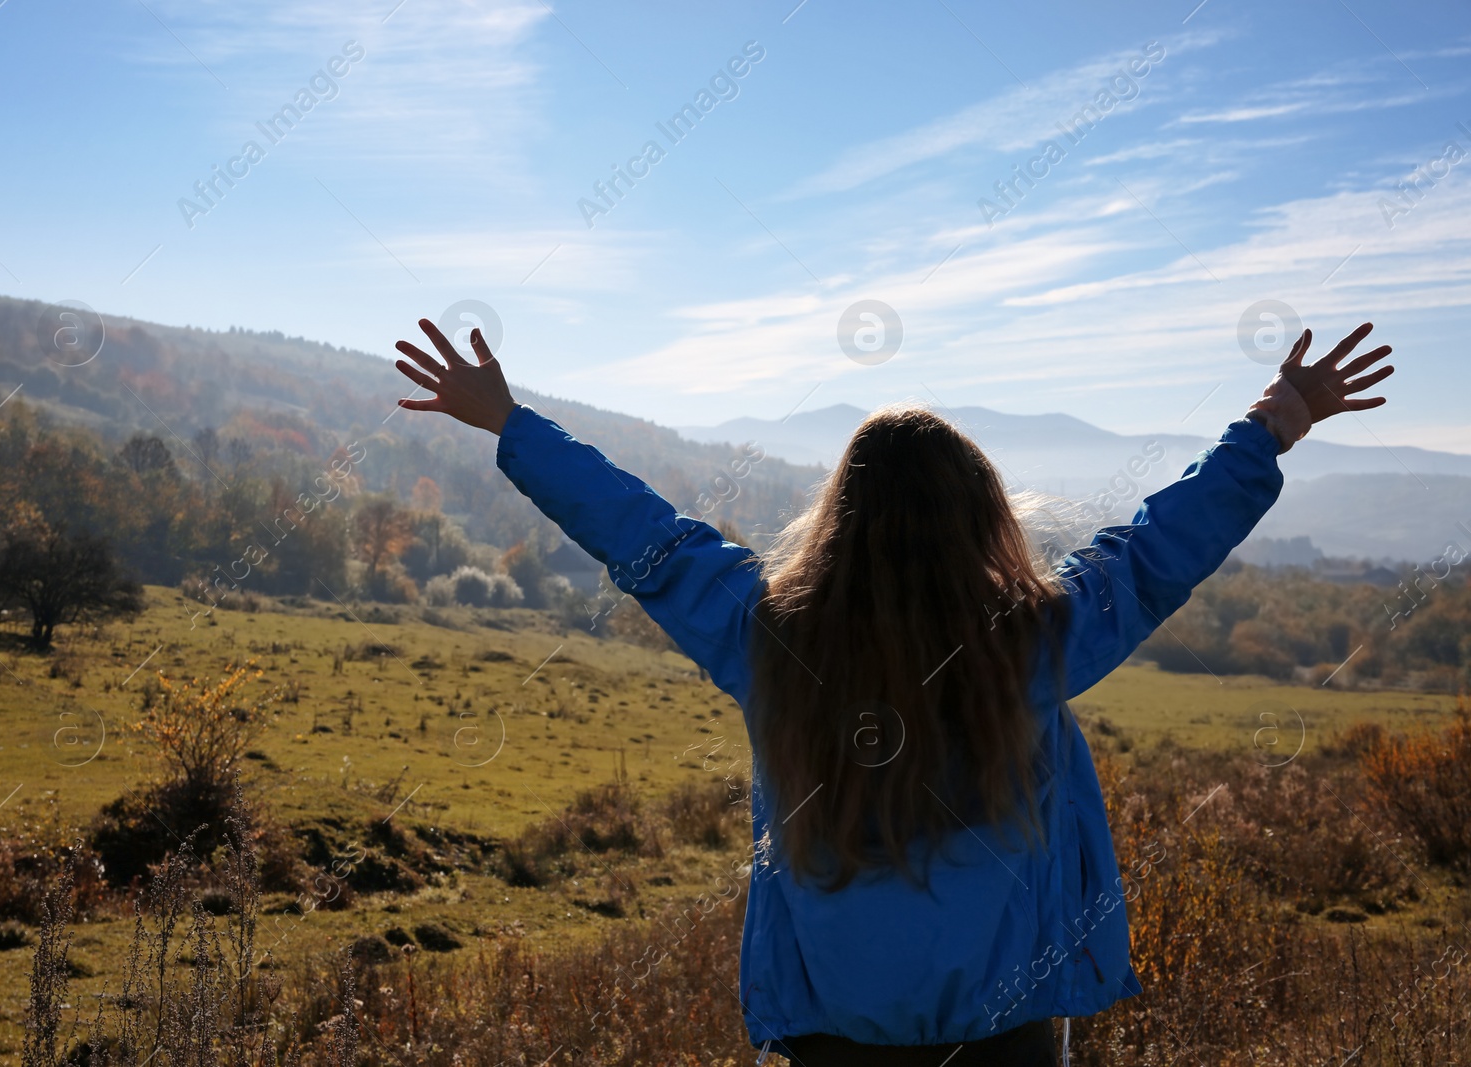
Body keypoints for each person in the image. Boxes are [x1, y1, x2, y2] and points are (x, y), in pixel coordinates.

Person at [392, 319, 1393, 1066]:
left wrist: (512, 425)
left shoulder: (768, 638)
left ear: (840, 518)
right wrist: (1276, 419)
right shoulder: (1033, 643)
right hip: (1008, 1033)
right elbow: (1151, 554)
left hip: (832, 1033)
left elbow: (643, 537)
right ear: (982, 515)